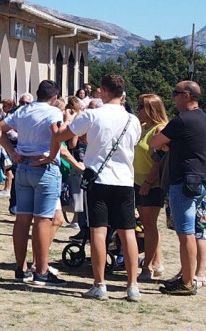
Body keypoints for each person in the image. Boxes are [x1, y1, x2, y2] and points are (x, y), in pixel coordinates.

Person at [52, 73, 141, 301]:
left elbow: (64, 135)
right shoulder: (133, 120)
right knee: (127, 232)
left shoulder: (92, 115)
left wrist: (61, 124)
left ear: (102, 90)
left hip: (99, 179)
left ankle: (99, 284)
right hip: (124, 180)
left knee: (98, 232)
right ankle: (132, 286)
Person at [0, 79, 67, 287]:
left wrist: (12, 151)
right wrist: (52, 154)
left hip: (23, 165)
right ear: (54, 97)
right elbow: (56, 133)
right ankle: (41, 271)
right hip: (43, 167)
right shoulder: (53, 112)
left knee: (22, 219)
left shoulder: (24, 110)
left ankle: (21, 268)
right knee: (43, 220)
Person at [147, 80, 206, 296]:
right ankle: (191, 275)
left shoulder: (181, 120)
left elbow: (155, 142)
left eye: (175, 93)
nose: (172, 98)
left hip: (183, 181)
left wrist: (165, 140)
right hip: (201, 181)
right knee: (194, 233)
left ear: (186, 95)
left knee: (185, 234)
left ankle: (186, 281)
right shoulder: (204, 118)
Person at [133, 93, 168, 281]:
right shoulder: (141, 127)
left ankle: (147, 267)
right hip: (137, 181)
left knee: (149, 225)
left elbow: (157, 161)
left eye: (141, 106)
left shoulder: (158, 130)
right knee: (146, 225)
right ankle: (156, 261)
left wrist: (147, 183)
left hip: (151, 183)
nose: (138, 110)